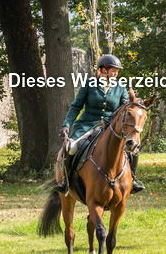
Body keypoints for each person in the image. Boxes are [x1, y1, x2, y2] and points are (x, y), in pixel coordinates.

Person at [56, 54, 145, 195]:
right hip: (87, 125)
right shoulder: (88, 84)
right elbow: (75, 106)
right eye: (113, 71)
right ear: (103, 70)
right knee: (71, 148)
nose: (116, 74)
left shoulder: (120, 88)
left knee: (134, 149)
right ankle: (65, 182)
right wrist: (67, 124)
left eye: (117, 71)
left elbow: (125, 108)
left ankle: (132, 180)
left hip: (109, 128)